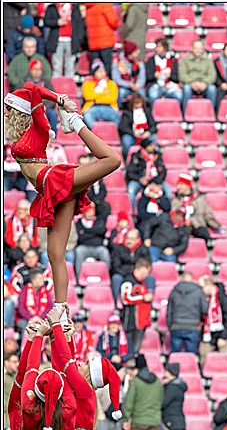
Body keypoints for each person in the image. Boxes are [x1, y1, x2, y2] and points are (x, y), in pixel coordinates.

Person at [6, 81, 120, 331]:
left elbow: (32, 88)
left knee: (113, 160)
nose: (5, 113)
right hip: (50, 190)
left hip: (55, 179)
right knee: (55, 254)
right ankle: (60, 307)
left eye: (7, 109)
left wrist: (60, 101)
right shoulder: (22, 133)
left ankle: (76, 124)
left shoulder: (38, 126)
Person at [121, 354, 163, 430]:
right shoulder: (158, 381)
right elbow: (161, 400)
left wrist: (126, 419)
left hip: (138, 422)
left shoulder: (135, 382)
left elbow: (129, 403)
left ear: (136, 369)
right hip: (155, 421)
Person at [119, 258, 154, 353]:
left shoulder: (142, 283)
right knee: (130, 351)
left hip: (142, 323)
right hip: (131, 323)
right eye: (148, 271)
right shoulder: (128, 282)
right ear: (142, 268)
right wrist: (143, 298)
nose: (148, 274)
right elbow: (125, 299)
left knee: (136, 351)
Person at [72, 203, 109, 277]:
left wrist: (85, 231)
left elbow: (102, 231)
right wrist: (95, 233)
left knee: (104, 252)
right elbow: (80, 238)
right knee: (79, 251)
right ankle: (79, 277)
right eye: (88, 211)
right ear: (84, 213)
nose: (91, 214)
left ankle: (106, 275)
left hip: (98, 247)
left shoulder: (99, 221)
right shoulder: (79, 223)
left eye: (92, 211)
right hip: (84, 247)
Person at [145, 37, 182, 106]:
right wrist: (154, 75)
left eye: (159, 47)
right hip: (156, 85)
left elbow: (177, 77)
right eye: (156, 47)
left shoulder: (172, 60)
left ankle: (177, 114)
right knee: (153, 96)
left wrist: (170, 76)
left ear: (165, 48)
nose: (157, 49)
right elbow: (147, 77)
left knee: (179, 96)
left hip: (170, 85)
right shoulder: (151, 60)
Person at [160, 363, 186, 430]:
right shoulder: (177, 386)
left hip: (171, 422)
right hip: (177, 422)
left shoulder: (172, 387)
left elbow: (163, 402)